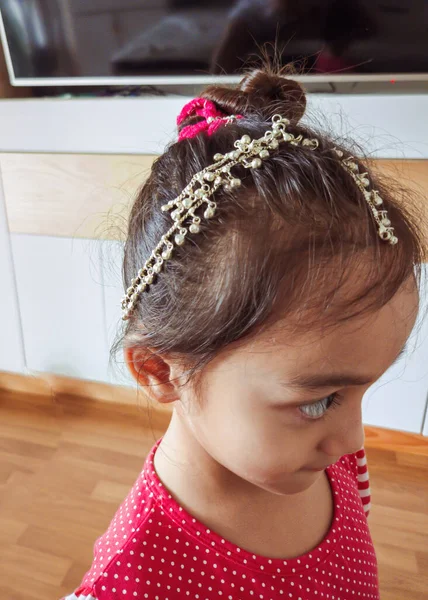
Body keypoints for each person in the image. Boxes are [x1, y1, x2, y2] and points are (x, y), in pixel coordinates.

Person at [63, 67, 424, 600]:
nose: (355, 439)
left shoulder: (332, 460)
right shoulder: (133, 581)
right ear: (161, 370)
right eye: (322, 400)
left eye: (361, 392)